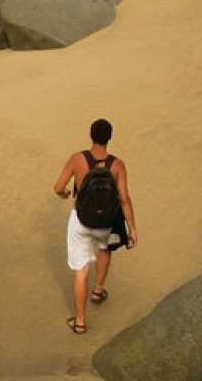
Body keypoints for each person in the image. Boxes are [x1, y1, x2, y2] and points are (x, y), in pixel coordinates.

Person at [52, 119, 137, 335]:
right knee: (104, 249)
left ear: (91, 135)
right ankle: (98, 291)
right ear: (110, 138)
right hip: (106, 222)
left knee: (81, 270)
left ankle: (80, 321)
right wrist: (132, 229)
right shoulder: (117, 165)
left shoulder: (77, 159)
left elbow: (58, 187)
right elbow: (125, 199)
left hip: (81, 220)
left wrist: (65, 194)